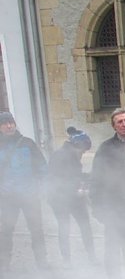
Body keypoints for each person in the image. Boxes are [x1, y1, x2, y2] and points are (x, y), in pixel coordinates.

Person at [90, 108, 125, 279]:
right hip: (112, 205)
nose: (124, 124)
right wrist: (97, 207)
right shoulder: (106, 148)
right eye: (120, 122)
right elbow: (96, 178)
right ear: (114, 126)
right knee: (112, 245)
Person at [0, 111, 48, 270]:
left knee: (36, 229)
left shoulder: (27, 143)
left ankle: (42, 262)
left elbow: (41, 166)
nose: (8, 126)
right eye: (5, 124)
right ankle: (4, 264)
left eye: (11, 123)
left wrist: (43, 188)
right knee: (6, 231)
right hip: (7, 197)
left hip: (29, 195)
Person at [46, 127, 97, 265]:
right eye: (83, 150)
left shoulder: (71, 155)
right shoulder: (60, 156)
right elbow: (56, 180)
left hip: (74, 198)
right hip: (59, 200)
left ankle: (91, 256)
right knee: (65, 227)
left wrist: (88, 179)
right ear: (76, 146)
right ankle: (67, 260)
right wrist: (77, 190)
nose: (83, 153)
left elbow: (74, 176)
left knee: (84, 226)